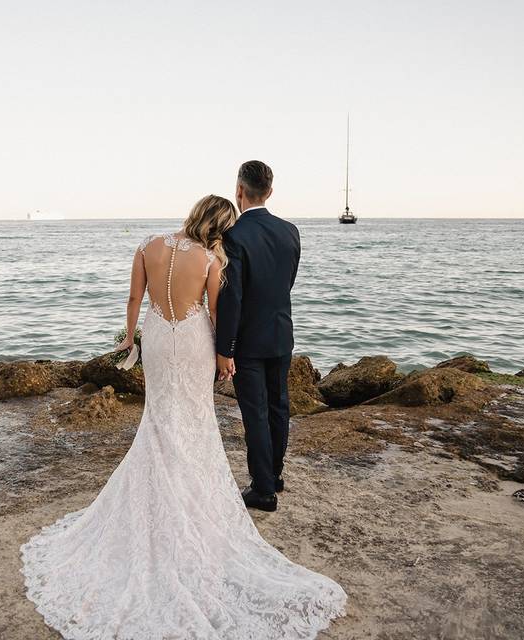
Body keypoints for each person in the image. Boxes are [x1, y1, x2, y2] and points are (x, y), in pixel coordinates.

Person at [20, 192, 346, 639]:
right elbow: (215, 313)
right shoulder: (212, 262)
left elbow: (134, 297)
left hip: (156, 336)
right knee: (195, 418)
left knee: (158, 415)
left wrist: (130, 341)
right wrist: (224, 357)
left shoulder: (147, 246)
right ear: (217, 225)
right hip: (192, 341)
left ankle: (158, 488)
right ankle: (192, 495)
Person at [216, 160, 301, 513]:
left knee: (255, 413)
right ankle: (275, 474)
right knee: (279, 406)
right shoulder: (291, 231)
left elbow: (232, 296)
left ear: (239, 190)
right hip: (282, 333)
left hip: (248, 341)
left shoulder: (233, 236)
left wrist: (225, 348)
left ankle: (264, 490)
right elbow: (287, 283)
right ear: (269, 191)